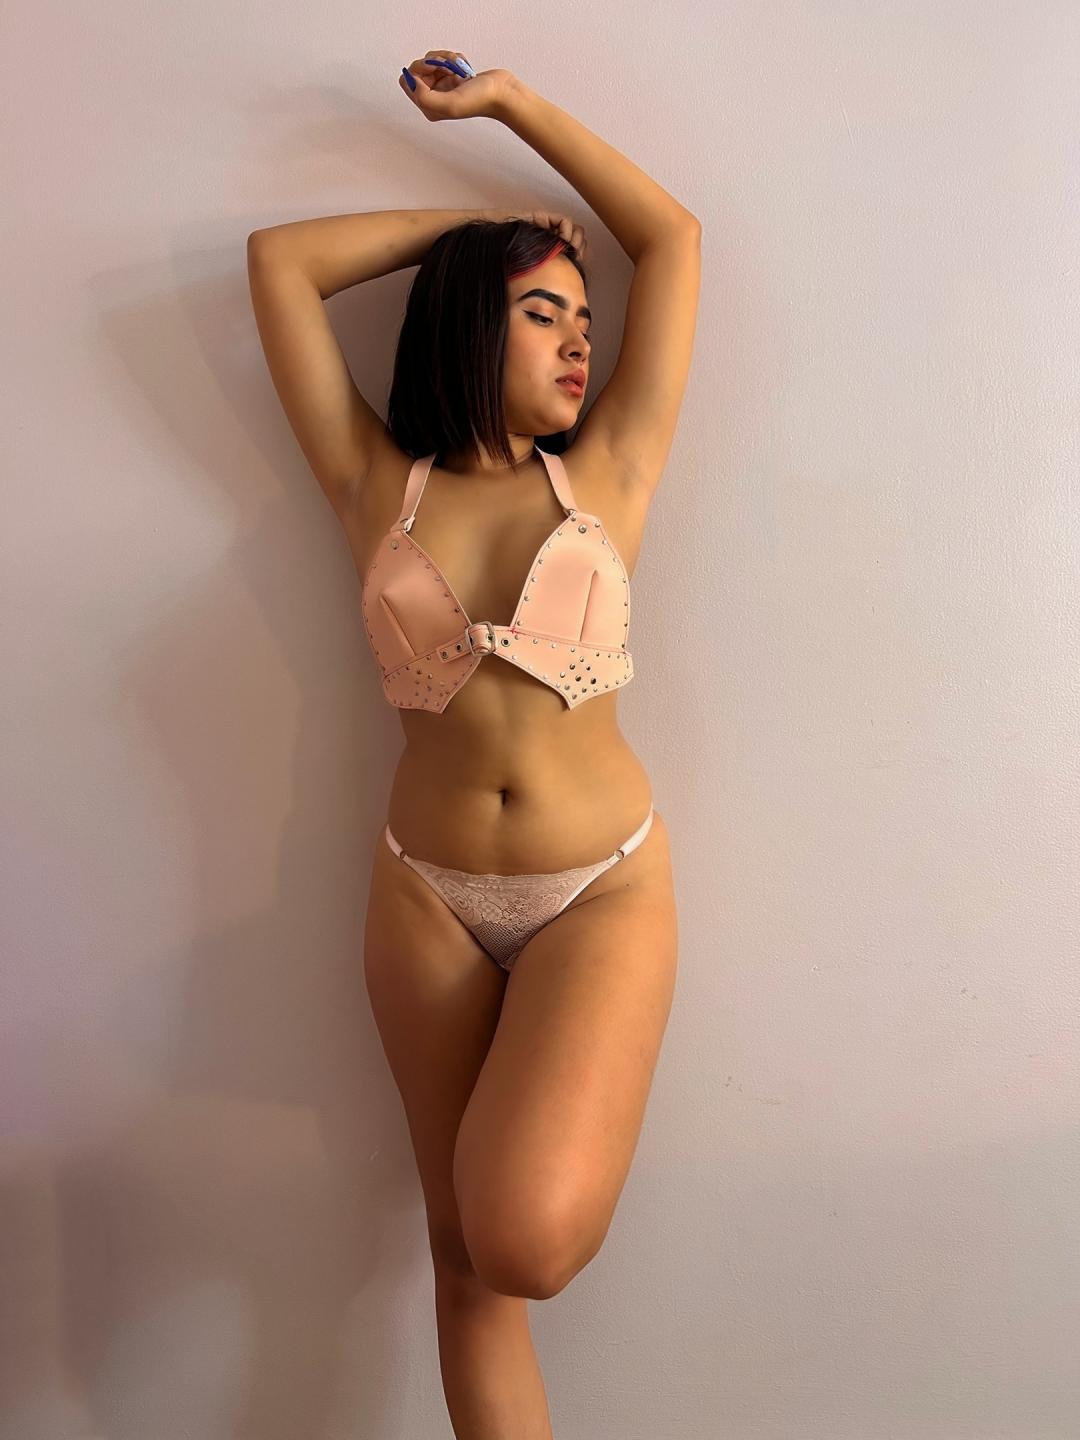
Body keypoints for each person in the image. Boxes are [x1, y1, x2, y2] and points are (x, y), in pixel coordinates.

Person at [247, 50, 702, 1439]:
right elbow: (279, 264)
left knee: (522, 1241)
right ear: (465, 323)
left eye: (583, 320)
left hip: (597, 887)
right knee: (460, 1262)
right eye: (542, 313)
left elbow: (672, 239)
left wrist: (509, 109)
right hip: (424, 892)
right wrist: (467, 236)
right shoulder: (373, 483)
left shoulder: (611, 467)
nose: (579, 342)